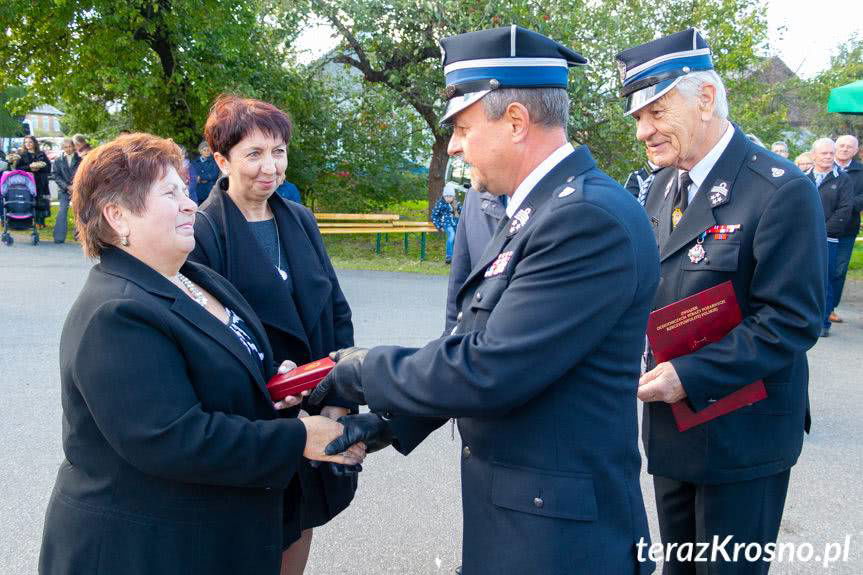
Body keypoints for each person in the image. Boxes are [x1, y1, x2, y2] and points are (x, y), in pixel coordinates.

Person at [312, 26, 659, 574]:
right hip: (522, 512)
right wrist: (396, 422)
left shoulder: (585, 218)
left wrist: (356, 371)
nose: (452, 144)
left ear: (516, 121)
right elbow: (471, 340)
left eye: (463, 127)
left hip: (559, 539)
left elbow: (494, 366)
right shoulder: (535, 207)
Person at [38, 133, 364, 575]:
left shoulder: (194, 278)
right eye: (170, 194)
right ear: (118, 217)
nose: (191, 204)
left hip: (208, 533)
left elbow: (220, 372)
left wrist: (271, 385)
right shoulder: (116, 312)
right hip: (141, 548)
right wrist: (300, 437)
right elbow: (173, 438)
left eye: (186, 191)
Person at [617, 29, 825, 574]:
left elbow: (792, 321)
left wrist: (688, 374)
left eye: (656, 112)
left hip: (742, 438)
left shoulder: (780, 189)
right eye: (638, 117)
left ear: (705, 99)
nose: (644, 131)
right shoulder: (664, 185)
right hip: (672, 431)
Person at [188, 94, 358, 575]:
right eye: (254, 154)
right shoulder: (204, 232)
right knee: (255, 538)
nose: (271, 167)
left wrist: (339, 395)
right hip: (257, 421)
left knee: (302, 524)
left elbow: (336, 310)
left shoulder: (299, 219)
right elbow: (205, 340)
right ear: (221, 159)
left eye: (279, 151)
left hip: (317, 405)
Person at [806, 138, 853, 337]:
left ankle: (823, 322)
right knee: (803, 280)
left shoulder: (843, 180)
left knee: (825, 281)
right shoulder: (802, 178)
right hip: (802, 239)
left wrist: (821, 232)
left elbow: (845, 210)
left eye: (830, 153)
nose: (828, 156)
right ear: (813, 155)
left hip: (828, 240)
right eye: (823, 153)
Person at [444, 183, 506, 333]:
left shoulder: (562, 197)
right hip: (472, 344)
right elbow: (460, 276)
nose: (455, 157)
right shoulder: (475, 194)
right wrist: (449, 337)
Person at [830, 135, 863, 323]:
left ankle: (831, 308)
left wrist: (844, 205)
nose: (844, 149)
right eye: (841, 145)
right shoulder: (824, 166)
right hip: (822, 226)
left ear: (855, 150)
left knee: (839, 270)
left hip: (847, 230)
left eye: (849, 147)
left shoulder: (861, 171)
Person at [14, 135, 52, 226]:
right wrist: (30, 168)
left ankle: (40, 221)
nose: (28, 144)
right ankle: (28, 220)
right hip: (28, 182)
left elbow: (48, 167)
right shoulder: (22, 155)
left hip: (41, 181)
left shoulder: (41, 154)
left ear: (35, 143)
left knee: (41, 201)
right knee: (28, 200)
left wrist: (40, 168)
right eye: (26, 142)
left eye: (30, 142)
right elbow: (18, 169)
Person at [50, 138, 80, 243]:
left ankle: (79, 236)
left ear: (74, 147)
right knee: (62, 211)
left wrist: (74, 187)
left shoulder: (81, 159)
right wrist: (67, 187)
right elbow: (55, 175)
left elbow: (83, 175)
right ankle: (59, 237)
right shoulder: (58, 160)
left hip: (77, 189)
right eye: (66, 147)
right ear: (63, 148)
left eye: (70, 146)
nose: (68, 149)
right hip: (63, 190)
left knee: (79, 212)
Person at [431, 182, 462, 263]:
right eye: (446, 196)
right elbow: (434, 215)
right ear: (444, 196)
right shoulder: (440, 204)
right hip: (447, 224)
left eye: (450, 196)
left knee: (457, 239)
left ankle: (456, 257)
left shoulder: (456, 204)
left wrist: (457, 210)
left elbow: (463, 213)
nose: (448, 198)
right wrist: (439, 226)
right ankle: (448, 256)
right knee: (451, 236)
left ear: (453, 196)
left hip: (456, 224)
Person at [193, 139, 219, 205]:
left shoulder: (214, 162)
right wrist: (200, 178)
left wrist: (200, 177)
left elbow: (214, 175)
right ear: (200, 151)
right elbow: (193, 175)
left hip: (209, 190)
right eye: (204, 150)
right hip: (198, 191)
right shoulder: (195, 162)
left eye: (208, 150)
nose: (207, 152)